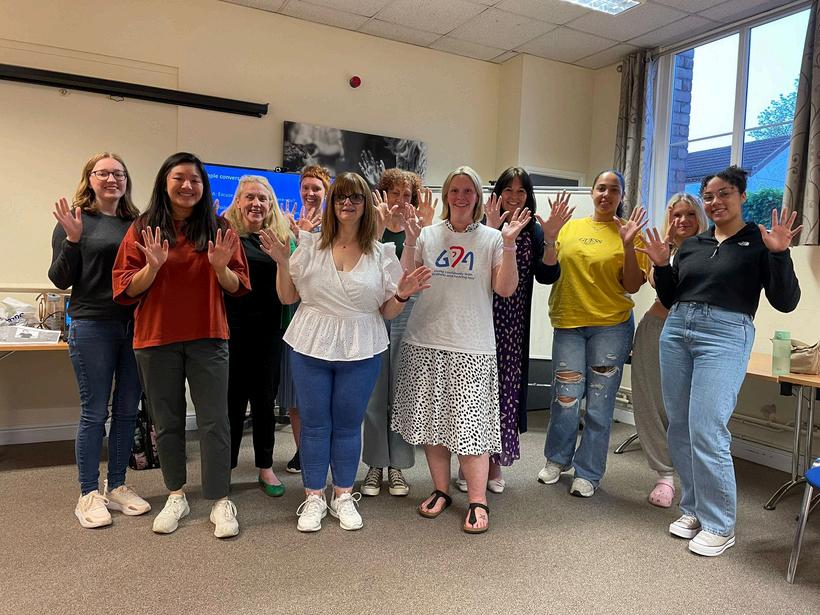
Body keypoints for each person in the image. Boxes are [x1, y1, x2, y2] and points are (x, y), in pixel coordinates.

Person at [639, 165, 801, 556]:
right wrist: (661, 265)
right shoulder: (693, 244)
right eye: (709, 196)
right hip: (677, 329)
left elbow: (785, 301)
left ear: (742, 196)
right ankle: (693, 509)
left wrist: (780, 254)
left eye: (724, 193)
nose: (715, 202)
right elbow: (671, 297)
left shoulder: (760, 241)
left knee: (707, 427)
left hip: (725, 333)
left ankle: (720, 524)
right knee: (680, 426)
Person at [261, 171, 431, 533]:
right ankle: (313, 496)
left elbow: (388, 311)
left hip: (361, 344)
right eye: (340, 196)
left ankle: (342, 494)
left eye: (355, 197)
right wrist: (282, 262)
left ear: (366, 204)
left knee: (348, 423)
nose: (347, 203)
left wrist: (402, 294)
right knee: (315, 423)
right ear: (332, 203)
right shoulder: (310, 244)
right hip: (311, 342)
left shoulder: (380, 252)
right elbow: (288, 297)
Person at [112, 152, 250, 538]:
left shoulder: (220, 227)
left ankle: (220, 499)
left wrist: (220, 267)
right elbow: (125, 288)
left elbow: (238, 286)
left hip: (209, 336)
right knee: (167, 421)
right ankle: (176, 494)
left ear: (204, 186)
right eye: (179, 178)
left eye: (195, 180)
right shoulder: (143, 228)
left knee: (215, 420)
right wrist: (152, 266)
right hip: (156, 339)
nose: (187, 186)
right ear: (165, 182)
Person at [391, 165, 530, 534]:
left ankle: (478, 500)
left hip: (472, 347)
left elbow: (505, 288)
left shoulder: (493, 238)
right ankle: (441, 490)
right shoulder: (427, 234)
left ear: (478, 197)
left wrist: (510, 244)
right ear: (446, 195)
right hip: (425, 341)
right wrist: (410, 240)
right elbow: (404, 281)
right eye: (455, 190)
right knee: (434, 425)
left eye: (468, 190)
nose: (461, 196)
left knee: (471, 429)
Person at [48, 152, 149, 528]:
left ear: (126, 181)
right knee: (94, 412)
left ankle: (117, 485)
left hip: (135, 325)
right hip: (92, 324)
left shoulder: (137, 223)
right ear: (89, 178)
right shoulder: (76, 220)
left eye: (119, 173)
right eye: (103, 173)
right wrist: (73, 240)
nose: (111, 179)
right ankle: (88, 493)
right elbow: (60, 278)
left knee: (127, 410)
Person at [538, 169, 649, 498]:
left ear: (621, 196)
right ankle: (557, 459)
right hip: (569, 323)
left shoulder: (630, 232)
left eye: (614, 190)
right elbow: (548, 269)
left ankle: (588, 472)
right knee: (565, 398)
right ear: (593, 192)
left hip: (611, 326)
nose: (606, 194)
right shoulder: (570, 228)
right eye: (601, 188)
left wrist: (628, 245)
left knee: (599, 405)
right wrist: (549, 237)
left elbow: (633, 285)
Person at [459, 167, 569, 494]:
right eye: (508, 190)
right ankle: (468, 464)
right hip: (477, 319)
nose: (514, 197)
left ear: (528, 196)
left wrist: (550, 239)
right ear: (498, 193)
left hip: (512, 325)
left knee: (504, 393)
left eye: (521, 191)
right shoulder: (480, 224)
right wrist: (492, 230)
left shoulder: (533, 230)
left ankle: (494, 466)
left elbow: (547, 276)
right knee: (474, 392)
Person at [360, 168, 434, 498]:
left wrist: (422, 231)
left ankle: (398, 467)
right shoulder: (370, 227)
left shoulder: (421, 230)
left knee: (402, 391)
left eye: (407, 195)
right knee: (375, 393)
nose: (401, 200)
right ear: (383, 194)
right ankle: (376, 464)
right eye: (395, 193)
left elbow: (422, 273)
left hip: (409, 312)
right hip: (375, 311)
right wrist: (377, 227)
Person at [630, 193, 706, 508]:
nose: (683, 220)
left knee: (686, 408)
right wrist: (663, 254)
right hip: (656, 328)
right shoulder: (661, 248)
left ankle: (691, 471)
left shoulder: (712, 248)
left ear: (700, 217)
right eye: (676, 215)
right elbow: (655, 282)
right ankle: (664, 475)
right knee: (650, 404)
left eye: (690, 214)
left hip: (697, 335)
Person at [223, 176, 293, 497]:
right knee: (232, 402)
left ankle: (265, 467)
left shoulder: (279, 239)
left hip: (269, 332)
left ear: (270, 204)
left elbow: (290, 286)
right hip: (231, 331)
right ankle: (226, 466)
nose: (256, 203)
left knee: (265, 402)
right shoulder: (227, 237)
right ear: (238, 202)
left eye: (263, 198)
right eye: (249, 197)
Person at [279, 164, 329, 475]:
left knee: (323, 396)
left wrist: (307, 237)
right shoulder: (286, 223)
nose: (310, 193)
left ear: (326, 192)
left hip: (323, 320)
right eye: (306, 187)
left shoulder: (335, 228)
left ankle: (325, 450)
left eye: (316, 188)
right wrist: (294, 235)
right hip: (292, 319)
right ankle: (303, 451)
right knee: (296, 395)